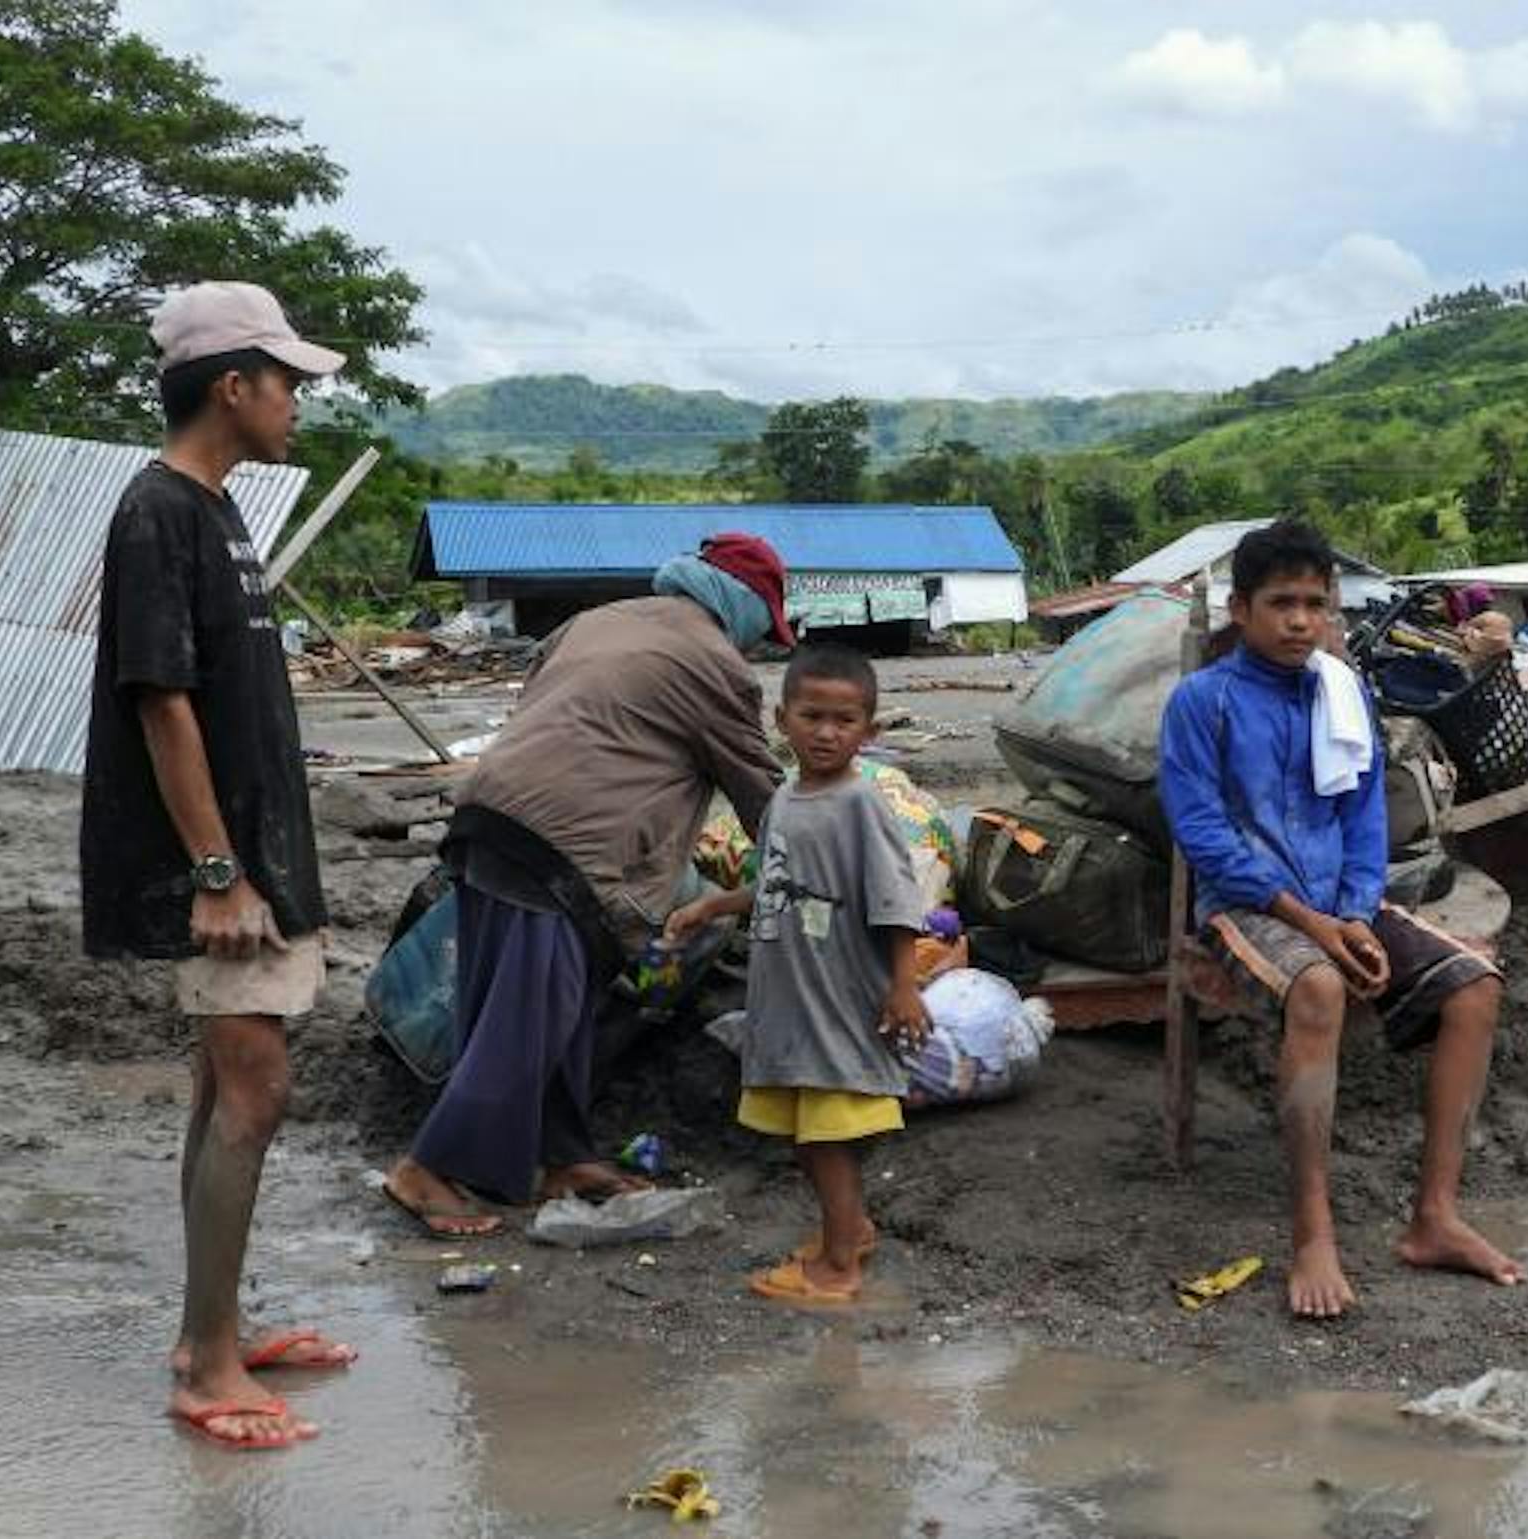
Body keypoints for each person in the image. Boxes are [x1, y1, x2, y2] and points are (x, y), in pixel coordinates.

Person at [81, 282, 349, 1450]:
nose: (298, 401)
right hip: (222, 864)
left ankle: (215, 1331)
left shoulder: (217, 510)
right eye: (286, 379)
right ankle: (207, 1368)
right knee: (256, 1089)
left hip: (254, 852)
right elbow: (163, 704)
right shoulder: (159, 512)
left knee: (220, 1084)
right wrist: (216, 873)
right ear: (231, 385)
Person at [1159, 519, 1523, 1321]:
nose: (1298, 620)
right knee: (1320, 988)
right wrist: (1318, 927)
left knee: (1476, 987)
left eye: (1314, 604)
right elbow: (1204, 835)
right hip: (1248, 904)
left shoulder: (1342, 688)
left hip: (1341, 898)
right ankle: (1312, 1231)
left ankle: (1435, 1216)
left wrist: (1356, 911)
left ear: (1331, 611)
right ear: (1241, 608)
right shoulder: (1202, 702)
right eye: (1280, 602)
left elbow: (1366, 816)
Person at [381, 537, 792, 1233]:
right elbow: (763, 797)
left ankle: (559, 1153)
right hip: (564, 843)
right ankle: (429, 1167)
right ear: (745, 608)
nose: (760, 643)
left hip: (489, 812)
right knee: (529, 1017)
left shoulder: (599, 619)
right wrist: (833, 857)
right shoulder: (717, 665)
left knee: (557, 1006)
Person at [664, 646, 931, 1305]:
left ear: (868, 730)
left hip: (840, 1001)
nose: (827, 731)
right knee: (801, 1136)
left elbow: (897, 899)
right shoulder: (785, 797)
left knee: (830, 1138)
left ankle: (840, 1266)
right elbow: (777, 883)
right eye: (812, 716)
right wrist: (713, 904)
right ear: (781, 719)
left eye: (844, 720)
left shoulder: (861, 804)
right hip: (788, 1000)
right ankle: (852, 1231)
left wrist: (904, 985)